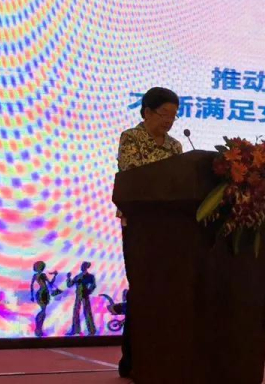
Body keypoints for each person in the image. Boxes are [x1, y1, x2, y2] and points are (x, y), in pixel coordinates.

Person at [117, 87, 183, 378]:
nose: (169, 120)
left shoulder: (176, 146)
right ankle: (133, 360)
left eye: (173, 115)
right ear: (146, 112)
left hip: (170, 227)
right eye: (164, 114)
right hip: (140, 224)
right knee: (143, 289)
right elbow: (133, 175)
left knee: (165, 290)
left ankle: (162, 356)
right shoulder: (131, 138)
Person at [66, 261, 97, 336]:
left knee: (87, 312)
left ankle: (91, 331)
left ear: (86, 267)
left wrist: (88, 291)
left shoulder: (90, 276)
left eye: (83, 266)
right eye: (82, 266)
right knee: (76, 312)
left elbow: (93, 285)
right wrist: (68, 278)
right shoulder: (78, 276)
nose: (82, 267)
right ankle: (75, 330)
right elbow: (69, 285)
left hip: (85, 295)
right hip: (78, 296)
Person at [30, 261, 58, 337]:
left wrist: (54, 276)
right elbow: (50, 283)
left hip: (44, 293)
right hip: (42, 294)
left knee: (43, 312)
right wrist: (55, 275)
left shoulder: (38, 275)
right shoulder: (41, 275)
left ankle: (39, 329)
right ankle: (38, 328)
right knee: (43, 311)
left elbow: (50, 283)